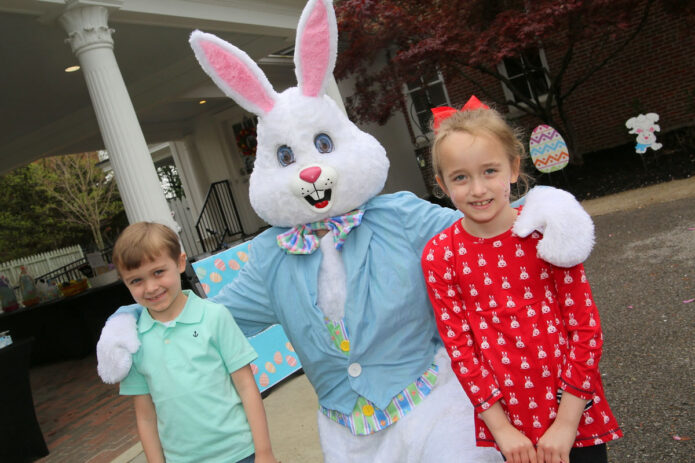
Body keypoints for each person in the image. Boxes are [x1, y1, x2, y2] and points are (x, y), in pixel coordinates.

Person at [421, 97, 622, 463]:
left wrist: (566, 423)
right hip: (511, 429)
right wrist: (502, 430)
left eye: (490, 171)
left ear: (514, 168)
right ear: (441, 183)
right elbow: (461, 350)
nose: (478, 189)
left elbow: (586, 329)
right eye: (460, 177)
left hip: (576, 416)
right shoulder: (440, 255)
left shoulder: (546, 230)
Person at [113, 222, 279, 463]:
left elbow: (247, 388)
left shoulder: (215, 317)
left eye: (158, 272)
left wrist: (264, 452)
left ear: (180, 263)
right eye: (136, 280)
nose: (150, 287)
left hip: (240, 453)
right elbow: (145, 416)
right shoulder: (133, 340)